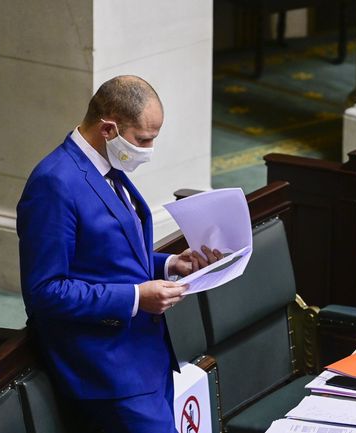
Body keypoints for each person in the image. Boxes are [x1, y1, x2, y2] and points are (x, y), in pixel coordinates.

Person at [17, 75, 221, 432]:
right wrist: (135, 297)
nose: (149, 149)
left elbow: (108, 256)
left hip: (147, 355)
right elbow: (44, 291)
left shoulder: (108, 167)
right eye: (144, 139)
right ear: (108, 129)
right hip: (106, 371)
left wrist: (170, 263)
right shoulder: (54, 183)